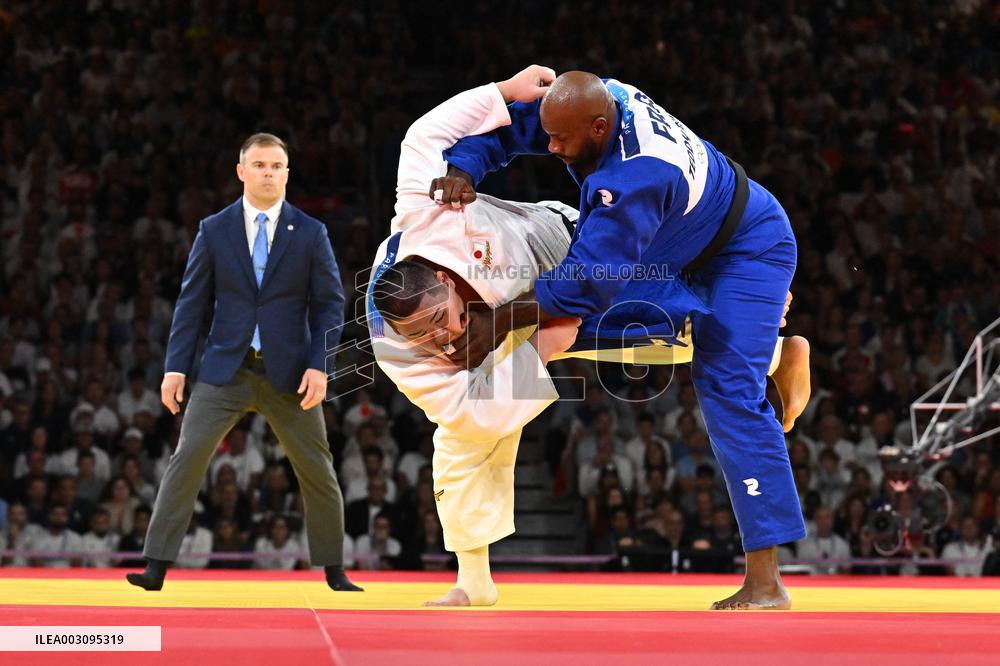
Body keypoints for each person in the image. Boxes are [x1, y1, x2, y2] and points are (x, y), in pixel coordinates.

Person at [364, 67, 809, 605]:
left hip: (725, 243)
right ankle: (472, 579)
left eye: (442, 319)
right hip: (661, 239)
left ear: (599, 128)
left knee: (724, 388)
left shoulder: (632, 174)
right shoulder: (399, 340)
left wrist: (509, 326)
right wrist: (467, 164)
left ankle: (766, 579)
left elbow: (586, 285)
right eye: (423, 334)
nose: (551, 148)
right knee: (462, 435)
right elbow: (467, 413)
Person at [126, 133, 360, 592]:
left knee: (317, 465)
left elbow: (331, 305)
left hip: (290, 373)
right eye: (259, 165)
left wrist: (320, 365)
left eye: (276, 166)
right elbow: (191, 303)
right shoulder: (214, 229)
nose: (268, 173)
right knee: (187, 458)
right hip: (225, 368)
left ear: (287, 173)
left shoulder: (311, 232)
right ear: (241, 171)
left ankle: (334, 568)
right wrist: (176, 367)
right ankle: (155, 565)